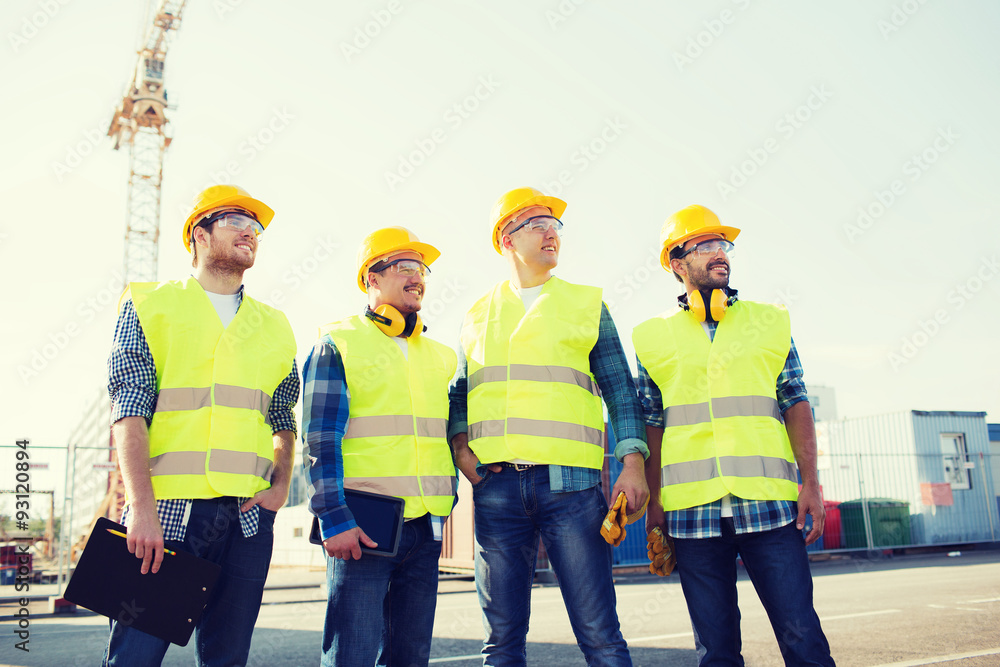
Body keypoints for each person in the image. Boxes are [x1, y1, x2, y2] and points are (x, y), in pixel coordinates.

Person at [449, 187, 648, 666]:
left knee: (600, 634)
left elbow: (622, 390)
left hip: (572, 488)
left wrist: (633, 463)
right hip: (496, 488)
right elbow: (459, 393)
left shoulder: (586, 304)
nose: (550, 233)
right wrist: (461, 449)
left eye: (554, 225)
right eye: (536, 224)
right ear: (506, 240)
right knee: (501, 643)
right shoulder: (477, 314)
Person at [104, 184, 299, 666]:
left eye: (256, 227)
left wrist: (282, 483)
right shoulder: (150, 304)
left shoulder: (274, 324)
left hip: (247, 519)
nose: (250, 233)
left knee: (227, 661)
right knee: (136, 658)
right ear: (199, 233)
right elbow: (128, 408)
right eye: (237, 220)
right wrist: (141, 508)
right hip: (167, 513)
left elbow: (282, 413)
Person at [634, 204, 835, 666]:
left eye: (722, 244)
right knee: (716, 649)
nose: (719, 253)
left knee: (802, 635)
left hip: (768, 506)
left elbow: (796, 402)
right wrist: (657, 506)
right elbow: (652, 422)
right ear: (677, 263)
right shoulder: (651, 335)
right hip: (691, 512)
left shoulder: (769, 321)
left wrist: (811, 483)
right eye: (705, 245)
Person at [303, 227, 458, 667]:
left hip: (425, 528)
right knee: (351, 655)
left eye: (421, 269)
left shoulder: (440, 355)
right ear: (372, 278)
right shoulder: (339, 343)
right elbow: (319, 438)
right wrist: (333, 519)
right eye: (405, 267)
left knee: (411, 657)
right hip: (363, 528)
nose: (418, 277)